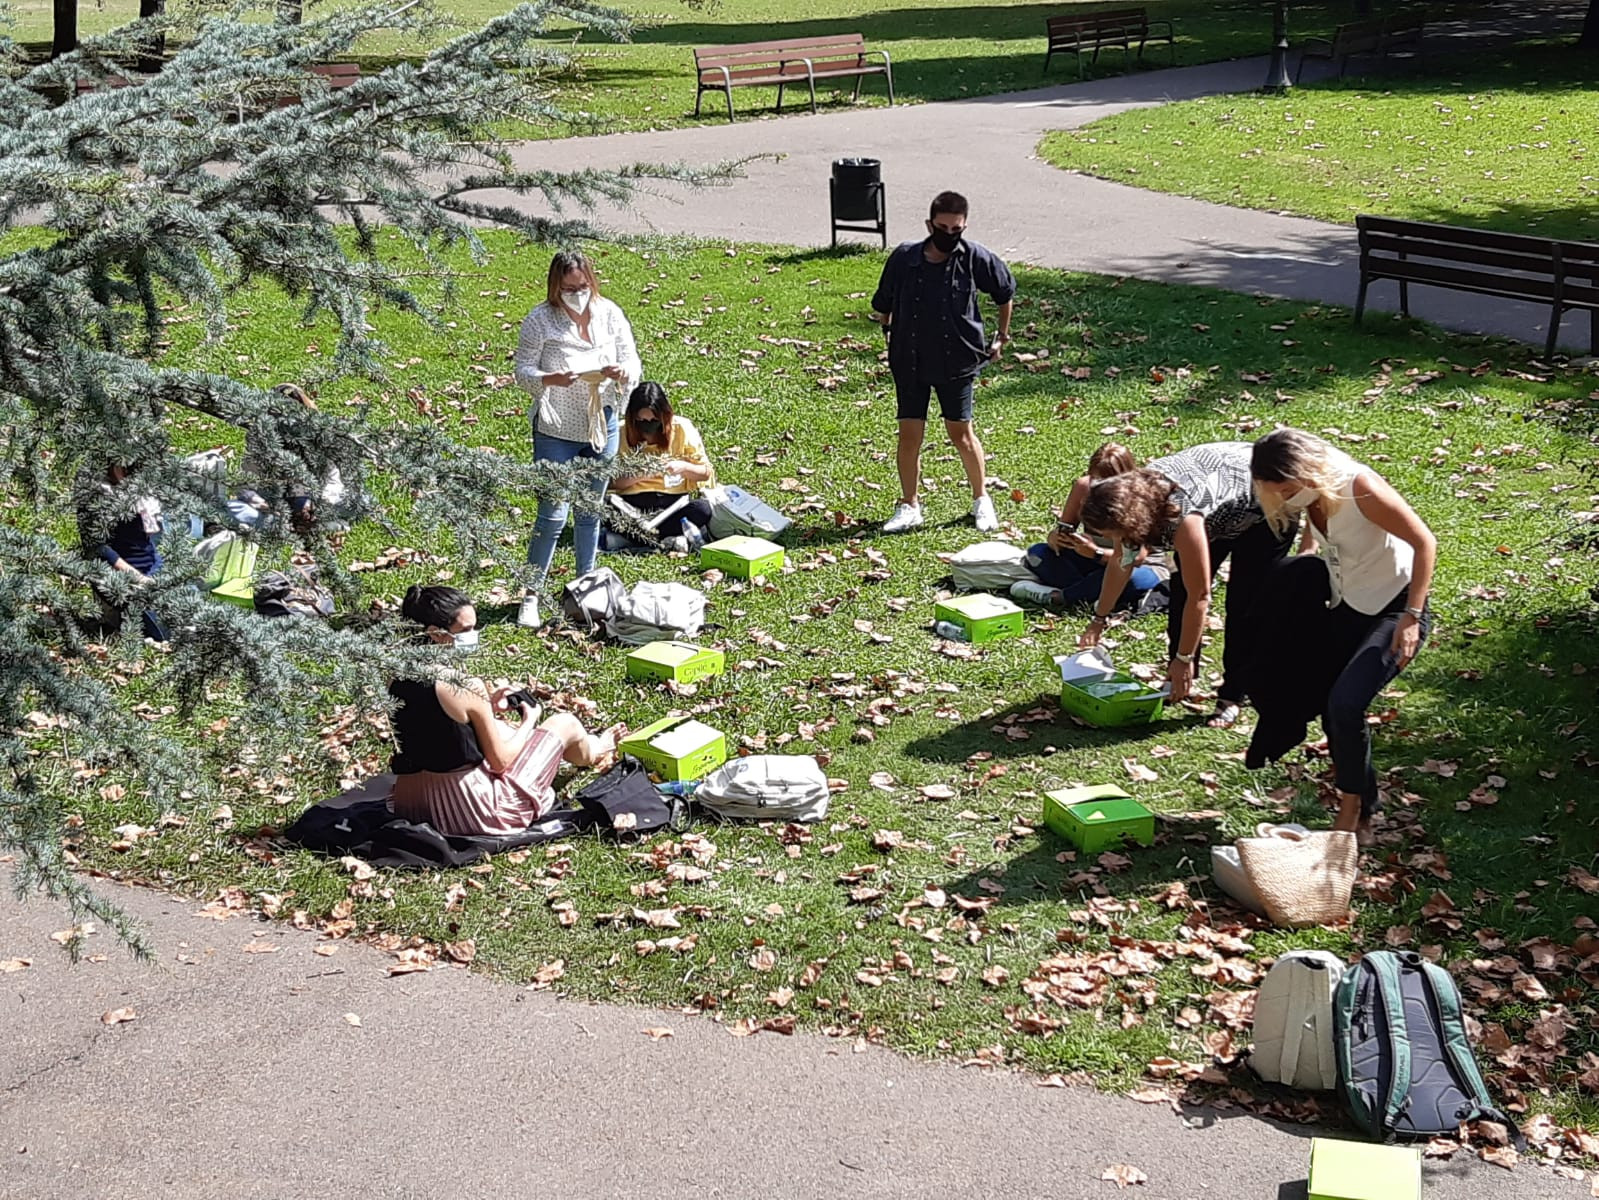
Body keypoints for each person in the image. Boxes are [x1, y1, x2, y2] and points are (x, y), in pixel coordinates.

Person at [1243, 428, 1436, 845]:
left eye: (1286, 488)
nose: (1285, 497)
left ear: (1305, 472)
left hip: (1396, 606)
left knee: (1346, 703)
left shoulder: (1359, 486)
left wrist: (1412, 617)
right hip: (1349, 603)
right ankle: (1366, 801)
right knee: (1330, 706)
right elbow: (1326, 534)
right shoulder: (1312, 496)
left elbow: (1424, 541)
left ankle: (1352, 816)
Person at [1076, 441, 1295, 726]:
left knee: (1244, 605)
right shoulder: (1130, 497)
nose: (1113, 539)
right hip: (1219, 512)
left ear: (1130, 522)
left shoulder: (1182, 518)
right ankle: (1178, 679)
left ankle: (1233, 695)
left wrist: (1184, 656)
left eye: (1112, 533)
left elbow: (1200, 597)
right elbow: (1122, 561)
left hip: (1266, 507)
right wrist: (1098, 619)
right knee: (1178, 594)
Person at [387, 586, 621, 837]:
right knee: (565, 723)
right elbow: (501, 762)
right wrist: (529, 721)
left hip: (411, 803)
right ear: (436, 634)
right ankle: (595, 749)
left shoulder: (393, 678)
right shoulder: (462, 686)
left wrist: (486, 706)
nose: (473, 635)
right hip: (472, 812)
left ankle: (588, 746)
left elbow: (435, 726)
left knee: (499, 728)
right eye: (465, 630)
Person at [870, 190, 1015, 535]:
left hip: (957, 359)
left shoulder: (974, 257)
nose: (949, 235)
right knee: (909, 435)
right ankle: (909, 505)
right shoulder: (905, 258)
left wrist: (1002, 337)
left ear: (964, 226)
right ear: (929, 224)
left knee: (961, 434)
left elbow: (1005, 293)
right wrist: (890, 333)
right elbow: (883, 304)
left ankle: (981, 500)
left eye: (956, 229)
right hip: (911, 360)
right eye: (942, 227)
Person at [513, 250, 641, 627]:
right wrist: (550, 379)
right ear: (556, 286)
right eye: (569, 289)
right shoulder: (541, 320)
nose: (577, 294)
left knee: (590, 512)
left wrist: (621, 372)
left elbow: (633, 360)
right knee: (552, 516)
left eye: (582, 286)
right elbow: (522, 370)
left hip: (600, 425)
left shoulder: (609, 313)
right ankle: (531, 595)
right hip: (556, 430)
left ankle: (587, 584)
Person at [1016, 442, 1166, 611]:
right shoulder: (1083, 487)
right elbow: (1063, 529)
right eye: (1096, 479)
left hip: (1139, 565)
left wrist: (1096, 553)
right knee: (1038, 554)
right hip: (1088, 557)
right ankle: (1094, 593)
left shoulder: (1140, 496)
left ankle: (1060, 597)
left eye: (1108, 480)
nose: (1101, 486)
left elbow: (1136, 558)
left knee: (1130, 578)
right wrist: (1056, 539)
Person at [607, 381, 717, 554]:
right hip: (633, 506)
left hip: (672, 504)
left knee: (703, 509)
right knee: (603, 509)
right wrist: (642, 474)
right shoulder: (620, 432)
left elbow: (706, 473)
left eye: (654, 421)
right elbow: (611, 483)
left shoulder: (682, 428)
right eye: (642, 421)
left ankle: (636, 540)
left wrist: (683, 467)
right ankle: (668, 539)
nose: (648, 426)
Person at [229, 383, 346, 533]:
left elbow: (333, 479)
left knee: (360, 500)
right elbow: (244, 485)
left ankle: (308, 524)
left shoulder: (317, 439)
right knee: (233, 508)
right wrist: (259, 502)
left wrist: (318, 503)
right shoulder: (261, 439)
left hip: (309, 498)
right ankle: (289, 527)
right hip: (273, 504)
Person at [76, 461, 168, 642]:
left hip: (152, 566)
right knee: (163, 633)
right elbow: (97, 547)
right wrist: (137, 578)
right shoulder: (96, 490)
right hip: (120, 574)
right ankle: (120, 616)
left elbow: (148, 541)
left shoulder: (143, 481)